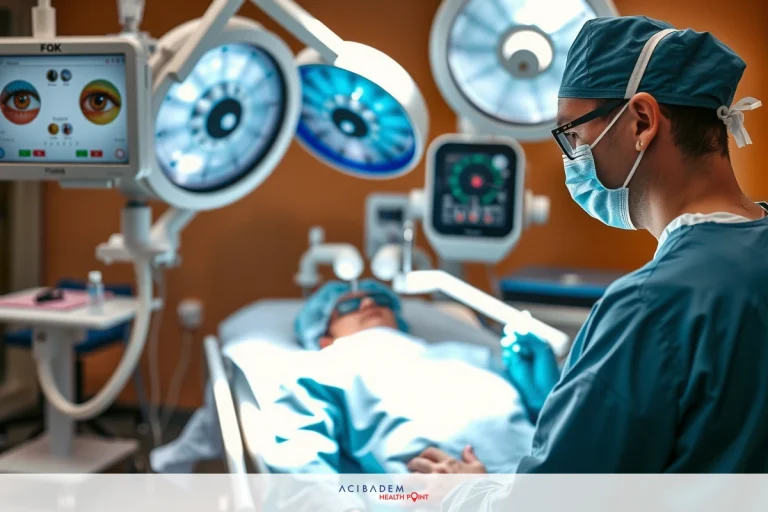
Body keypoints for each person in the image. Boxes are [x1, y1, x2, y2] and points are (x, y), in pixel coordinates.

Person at [406, 14, 768, 490]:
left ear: (641, 121)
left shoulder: (652, 305)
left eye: (572, 134)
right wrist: (573, 396)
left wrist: (462, 493)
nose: (571, 156)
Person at [151, 279, 533, 509]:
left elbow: (543, 425)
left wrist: (540, 387)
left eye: (381, 300)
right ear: (323, 336)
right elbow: (305, 479)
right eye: (348, 305)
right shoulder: (320, 370)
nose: (368, 303)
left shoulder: (472, 355)